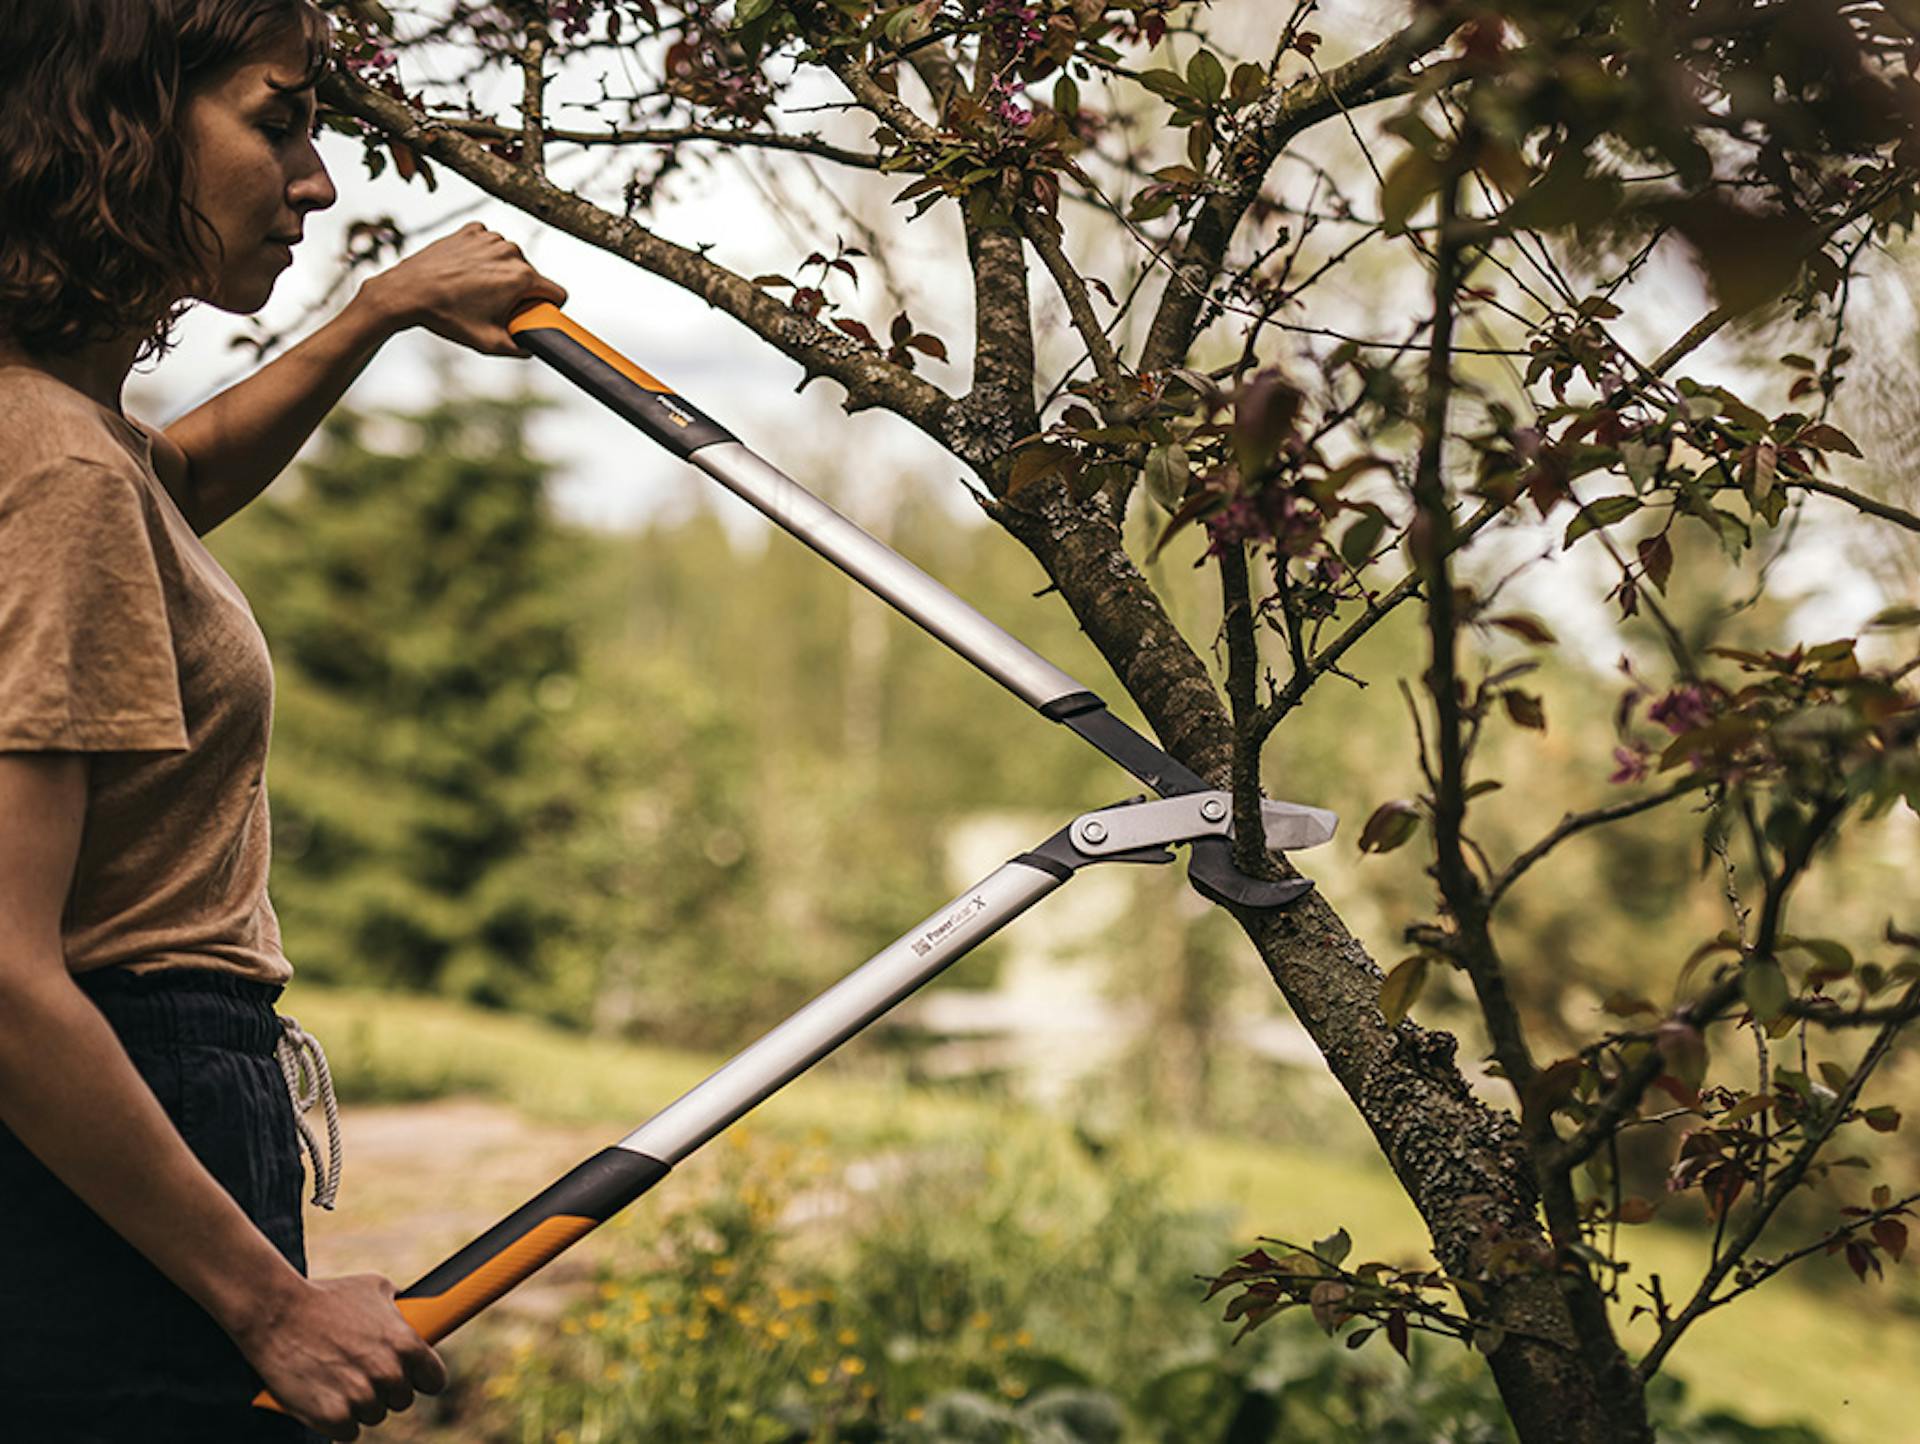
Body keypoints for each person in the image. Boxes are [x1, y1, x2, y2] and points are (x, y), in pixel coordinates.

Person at [0, 2, 568, 1439]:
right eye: (279, 120)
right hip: (110, 1116)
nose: (317, 181)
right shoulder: (53, 462)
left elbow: (165, 482)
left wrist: (370, 317)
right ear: (114, 124)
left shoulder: (65, 439)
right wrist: (268, 1302)